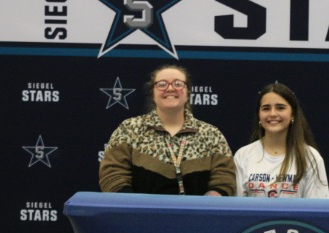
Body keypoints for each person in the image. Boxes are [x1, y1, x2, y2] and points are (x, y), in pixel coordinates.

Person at [99, 64, 236, 196]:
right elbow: (112, 175)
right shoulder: (129, 129)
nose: (170, 89)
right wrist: (134, 206)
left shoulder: (211, 134)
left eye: (178, 84)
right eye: (162, 84)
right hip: (139, 211)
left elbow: (224, 178)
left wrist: (207, 202)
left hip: (197, 212)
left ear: (188, 93)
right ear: (152, 94)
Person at [234, 82, 329, 198]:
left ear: (292, 114)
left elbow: (317, 207)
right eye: (266, 108)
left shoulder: (311, 157)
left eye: (280, 108)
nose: (272, 114)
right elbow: (236, 206)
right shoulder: (243, 155)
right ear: (259, 115)